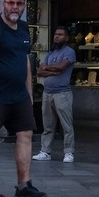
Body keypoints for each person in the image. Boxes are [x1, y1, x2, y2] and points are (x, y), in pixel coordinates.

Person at [0, 0, 46, 197]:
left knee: (25, 135)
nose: (15, 7)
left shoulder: (24, 28)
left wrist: (29, 91)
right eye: (11, 3)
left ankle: (24, 185)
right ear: (3, 4)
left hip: (19, 95)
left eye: (19, 3)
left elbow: (25, 61)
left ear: (24, 6)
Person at [33, 25, 77, 163]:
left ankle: (69, 152)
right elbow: (39, 72)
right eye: (56, 34)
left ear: (66, 38)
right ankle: (45, 151)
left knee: (66, 125)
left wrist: (48, 68)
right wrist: (53, 71)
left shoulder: (69, 52)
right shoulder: (50, 54)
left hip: (62, 93)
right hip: (47, 93)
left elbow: (61, 67)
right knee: (47, 126)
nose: (57, 36)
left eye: (60, 34)